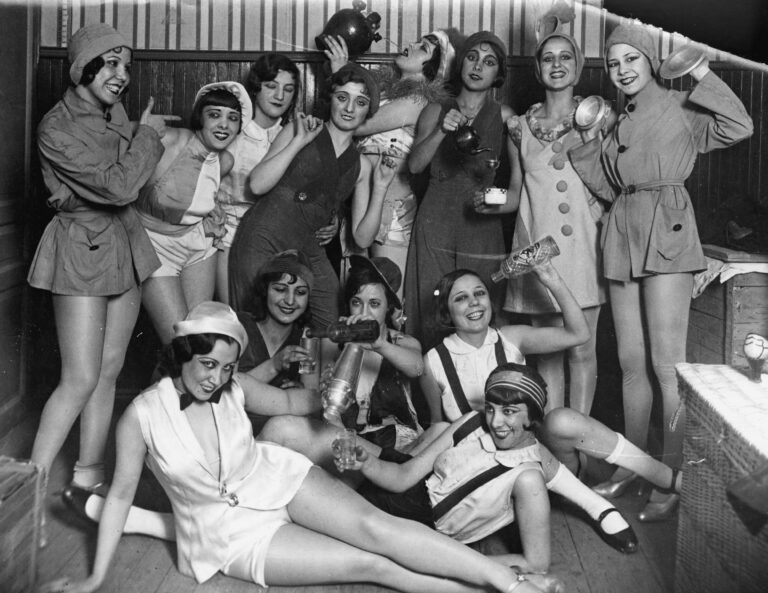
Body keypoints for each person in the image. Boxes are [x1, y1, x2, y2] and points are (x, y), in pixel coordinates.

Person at [41, 302, 558, 593]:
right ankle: (491, 589)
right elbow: (120, 495)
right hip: (229, 536)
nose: (216, 379)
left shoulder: (235, 386)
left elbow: (295, 404)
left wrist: (334, 386)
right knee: (370, 565)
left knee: (379, 529)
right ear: (181, 356)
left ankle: (509, 584)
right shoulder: (140, 417)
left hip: (275, 478)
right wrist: (93, 579)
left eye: (227, 368)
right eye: (207, 366)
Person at [568, 24, 753, 520]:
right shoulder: (617, 120)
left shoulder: (680, 105)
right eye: (614, 63)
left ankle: (672, 477)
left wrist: (702, 73)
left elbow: (739, 126)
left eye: (631, 59)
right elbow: (608, 188)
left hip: (667, 230)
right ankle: (635, 466)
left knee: (668, 367)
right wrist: (588, 139)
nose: (622, 70)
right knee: (630, 362)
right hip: (622, 233)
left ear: (651, 61)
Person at [27, 23, 177, 509]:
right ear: (83, 67)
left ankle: (87, 477)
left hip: (125, 244)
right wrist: (147, 137)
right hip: (80, 250)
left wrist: (139, 136)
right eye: (110, 63)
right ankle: (26, 492)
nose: (121, 75)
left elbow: (122, 179)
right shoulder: (55, 127)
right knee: (80, 378)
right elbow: (118, 187)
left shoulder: (114, 111)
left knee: (109, 370)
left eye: (126, 66)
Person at [344, 363, 682, 567]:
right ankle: (600, 502)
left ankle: (655, 481)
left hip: (431, 525)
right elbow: (404, 477)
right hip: (415, 498)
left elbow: (536, 562)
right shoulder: (473, 421)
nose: (495, 421)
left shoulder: (528, 471)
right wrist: (365, 464)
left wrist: (465, 564)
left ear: (532, 417)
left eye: (507, 412)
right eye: (491, 409)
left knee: (560, 425)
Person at [477, 32, 607, 414]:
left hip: (583, 246)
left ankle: (578, 437)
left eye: (565, 57)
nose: (557, 65)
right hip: (537, 249)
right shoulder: (519, 127)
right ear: (537, 69)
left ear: (578, 67)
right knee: (548, 355)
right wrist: (483, 197)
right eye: (548, 58)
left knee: (582, 350)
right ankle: (553, 437)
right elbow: (515, 192)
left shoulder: (596, 117)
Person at [228, 63, 380, 328]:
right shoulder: (299, 129)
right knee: (252, 323)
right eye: (342, 97)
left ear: (369, 110)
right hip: (264, 235)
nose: (349, 108)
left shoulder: (362, 166)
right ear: (330, 99)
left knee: (329, 320)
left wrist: (382, 186)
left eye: (360, 102)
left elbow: (362, 238)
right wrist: (300, 140)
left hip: (308, 247)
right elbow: (258, 185)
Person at [405, 31, 519, 349]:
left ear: (498, 74)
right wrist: (442, 131)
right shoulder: (435, 110)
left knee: (482, 312)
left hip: (481, 225)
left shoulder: (507, 118)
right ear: (461, 64)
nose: (478, 66)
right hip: (435, 223)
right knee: (432, 309)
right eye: (472, 57)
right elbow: (414, 166)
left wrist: (492, 200)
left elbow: (516, 191)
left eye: (489, 62)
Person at [323, 31, 456, 285]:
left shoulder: (418, 100)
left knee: (387, 288)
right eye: (416, 41)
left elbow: (356, 124)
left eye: (423, 48)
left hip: (392, 206)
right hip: (360, 196)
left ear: (433, 67)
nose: (411, 45)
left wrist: (342, 72)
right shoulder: (383, 94)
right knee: (356, 290)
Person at [263, 255, 427, 461]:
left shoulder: (401, 342)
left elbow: (417, 368)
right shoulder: (329, 342)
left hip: (397, 444)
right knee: (285, 430)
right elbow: (314, 400)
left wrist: (379, 344)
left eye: (374, 304)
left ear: (388, 307)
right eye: (356, 303)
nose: (364, 312)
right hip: (344, 438)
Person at [136, 83, 247, 344]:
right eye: (214, 115)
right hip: (155, 246)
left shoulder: (225, 161)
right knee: (180, 343)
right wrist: (142, 128)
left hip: (198, 244)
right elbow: (111, 134)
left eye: (232, 118)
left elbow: (196, 194)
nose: (224, 125)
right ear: (200, 118)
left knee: (200, 336)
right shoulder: (172, 139)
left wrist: (213, 210)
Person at [421, 262, 588, 424]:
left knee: (560, 420)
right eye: (461, 298)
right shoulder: (433, 361)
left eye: (480, 293)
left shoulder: (511, 338)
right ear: (446, 312)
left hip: (520, 439)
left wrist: (552, 280)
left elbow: (578, 334)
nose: (474, 302)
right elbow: (437, 424)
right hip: (468, 442)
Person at [210, 55, 302, 303]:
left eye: (288, 89)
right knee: (235, 313)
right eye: (272, 86)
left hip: (276, 241)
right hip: (228, 237)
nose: (280, 96)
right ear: (256, 87)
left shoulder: (294, 136)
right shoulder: (233, 131)